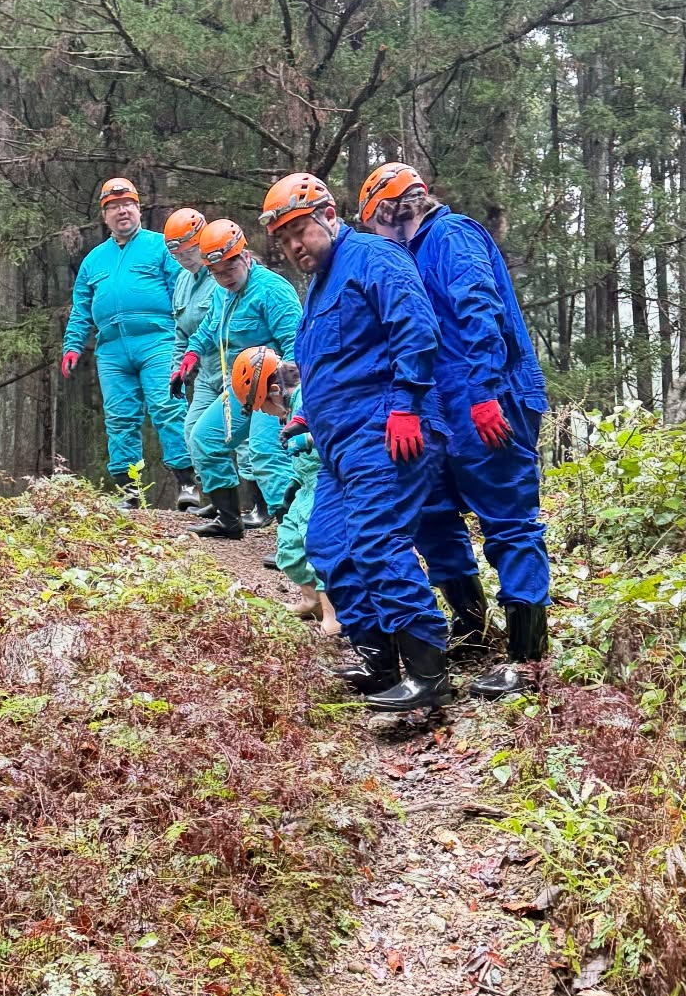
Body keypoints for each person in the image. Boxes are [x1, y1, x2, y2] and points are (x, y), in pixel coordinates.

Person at [261, 172, 452, 713]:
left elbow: (415, 328)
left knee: (377, 540)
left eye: (300, 230)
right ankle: (378, 657)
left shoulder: (372, 257)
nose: (295, 245)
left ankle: (428, 672)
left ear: (327, 215)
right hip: (337, 445)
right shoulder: (317, 287)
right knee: (326, 544)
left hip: (385, 432)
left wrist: (407, 405)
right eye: (284, 239)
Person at [358, 162, 550, 698]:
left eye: (375, 221)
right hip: (441, 409)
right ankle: (471, 627)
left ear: (393, 209)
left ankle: (526, 658)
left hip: (489, 399)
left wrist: (487, 392)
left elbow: (478, 310)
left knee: (508, 519)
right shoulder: (409, 255)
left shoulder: (452, 235)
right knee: (434, 519)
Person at [61, 177, 196, 506]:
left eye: (128, 205)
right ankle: (129, 490)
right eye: (114, 207)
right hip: (111, 350)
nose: (122, 211)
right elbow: (81, 308)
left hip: (159, 340)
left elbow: (183, 291)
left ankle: (188, 485)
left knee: (167, 408)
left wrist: (188, 339)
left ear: (138, 209)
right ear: (105, 216)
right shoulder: (94, 260)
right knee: (120, 417)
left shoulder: (160, 245)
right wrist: (72, 345)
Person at [175, 219, 301, 541]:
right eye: (216, 273)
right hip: (241, 385)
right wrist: (190, 357)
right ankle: (229, 520)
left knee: (265, 453)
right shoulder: (221, 292)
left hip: (273, 389)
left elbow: (296, 346)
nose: (224, 279)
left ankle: (295, 539)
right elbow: (207, 330)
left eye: (229, 270)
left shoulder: (273, 291)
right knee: (204, 438)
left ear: (244, 257)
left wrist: (286, 398)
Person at [230, 347, 339, 635]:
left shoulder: (308, 396)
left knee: (316, 542)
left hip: (325, 480)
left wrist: (307, 441)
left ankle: (334, 615)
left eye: (261, 405)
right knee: (289, 541)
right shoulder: (288, 407)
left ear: (276, 390)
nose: (263, 412)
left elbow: (335, 431)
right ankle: (311, 600)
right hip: (306, 484)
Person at [164, 207, 217, 513]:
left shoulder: (223, 269)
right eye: (178, 255)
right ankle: (218, 500)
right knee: (194, 431)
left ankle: (262, 507)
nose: (184, 259)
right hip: (205, 371)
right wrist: (176, 370)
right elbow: (181, 333)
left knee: (244, 440)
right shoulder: (183, 282)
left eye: (189, 251)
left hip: (234, 365)